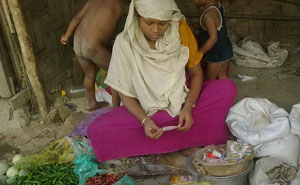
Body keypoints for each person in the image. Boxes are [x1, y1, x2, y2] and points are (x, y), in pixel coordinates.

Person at [88, 0, 237, 162]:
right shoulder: (124, 42)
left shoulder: (180, 30)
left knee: (226, 88)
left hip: (182, 101)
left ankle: (174, 141)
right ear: (137, 16)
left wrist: (188, 106)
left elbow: (196, 74)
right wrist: (145, 121)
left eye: (163, 23)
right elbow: (124, 92)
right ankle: (185, 140)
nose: (156, 30)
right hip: (146, 110)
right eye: (149, 23)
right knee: (97, 130)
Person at [60, 0, 130, 111]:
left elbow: (76, 18)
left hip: (77, 43)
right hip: (92, 45)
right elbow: (137, 16)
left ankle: (91, 103)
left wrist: (66, 35)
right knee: (116, 73)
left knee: (89, 75)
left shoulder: (93, 1)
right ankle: (116, 107)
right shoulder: (120, 3)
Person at [193, 0, 233, 80]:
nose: (193, 1)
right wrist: (196, 26)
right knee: (222, 75)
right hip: (225, 51)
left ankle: (221, 91)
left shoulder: (208, 15)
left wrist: (198, 54)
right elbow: (215, 24)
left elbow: (213, 38)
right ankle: (226, 91)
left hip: (216, 55)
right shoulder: (218, 6)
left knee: (211, 80)